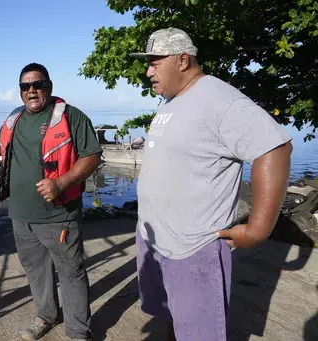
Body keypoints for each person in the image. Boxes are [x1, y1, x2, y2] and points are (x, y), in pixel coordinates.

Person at [129, 27, 292, 341]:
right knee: (173, 320)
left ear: (182, 60)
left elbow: (275, 148)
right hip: (158, 239)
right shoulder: (174, 100)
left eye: (154, 62)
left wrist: (258, 229)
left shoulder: (219, 98)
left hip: (192, 249)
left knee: (200, 333)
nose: (148, 71)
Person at [0, 63, 102, 341]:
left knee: (71, 273)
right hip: (21, 215)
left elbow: (92, 157)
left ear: (49, 86)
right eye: (25, 86)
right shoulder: (15, 118)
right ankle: (46, 316)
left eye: (37, 84)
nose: (31, 91)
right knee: (36, 272)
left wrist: (61, 183)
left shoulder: (71, 117)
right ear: (20, 91)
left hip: (59, 214)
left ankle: (78, 331)